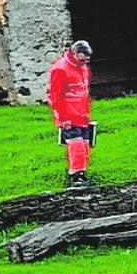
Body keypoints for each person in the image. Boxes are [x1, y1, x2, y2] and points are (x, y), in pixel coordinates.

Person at [49, 40, 95, 188]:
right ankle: (75, 176)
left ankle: (82, 173)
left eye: (87, 59)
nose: (85, 62)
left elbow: (84, 92)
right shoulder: (60, 69)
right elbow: (55, 96)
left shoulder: (83, 68)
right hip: (69, 116)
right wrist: (63, 118)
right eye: (83, 59)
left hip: (82, 115)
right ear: (74, 54)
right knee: (76, 146)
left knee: (86, 145)